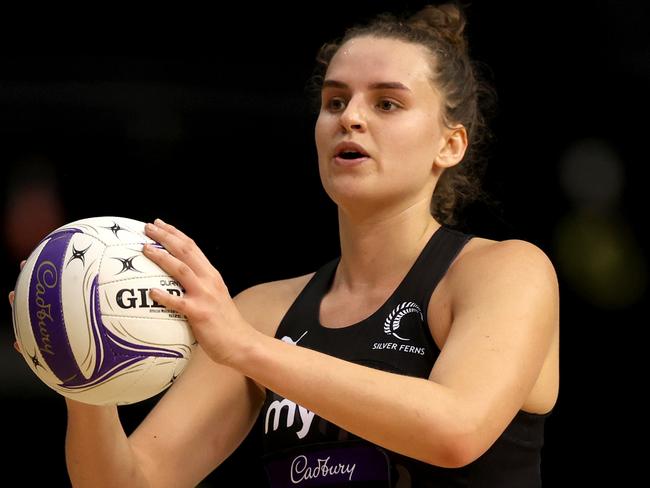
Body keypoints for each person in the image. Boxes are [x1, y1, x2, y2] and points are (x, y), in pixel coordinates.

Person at [9, 3, 559, 487]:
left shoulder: (505, 271)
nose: (351, 118)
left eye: (387, 104)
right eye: (334, 100)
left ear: (450, 143)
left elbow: (454, 430)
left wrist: (244, 347)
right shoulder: (261, 312)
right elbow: (132, 484)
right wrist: (77, 365)